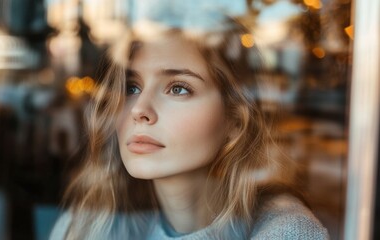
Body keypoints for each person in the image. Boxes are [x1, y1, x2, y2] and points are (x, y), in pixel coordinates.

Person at [49, 18, 329, 240]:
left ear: (236, 122)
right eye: (131, 87)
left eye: (178, 88)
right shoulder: (84, 227)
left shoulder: (288, 233)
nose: (139, 110)